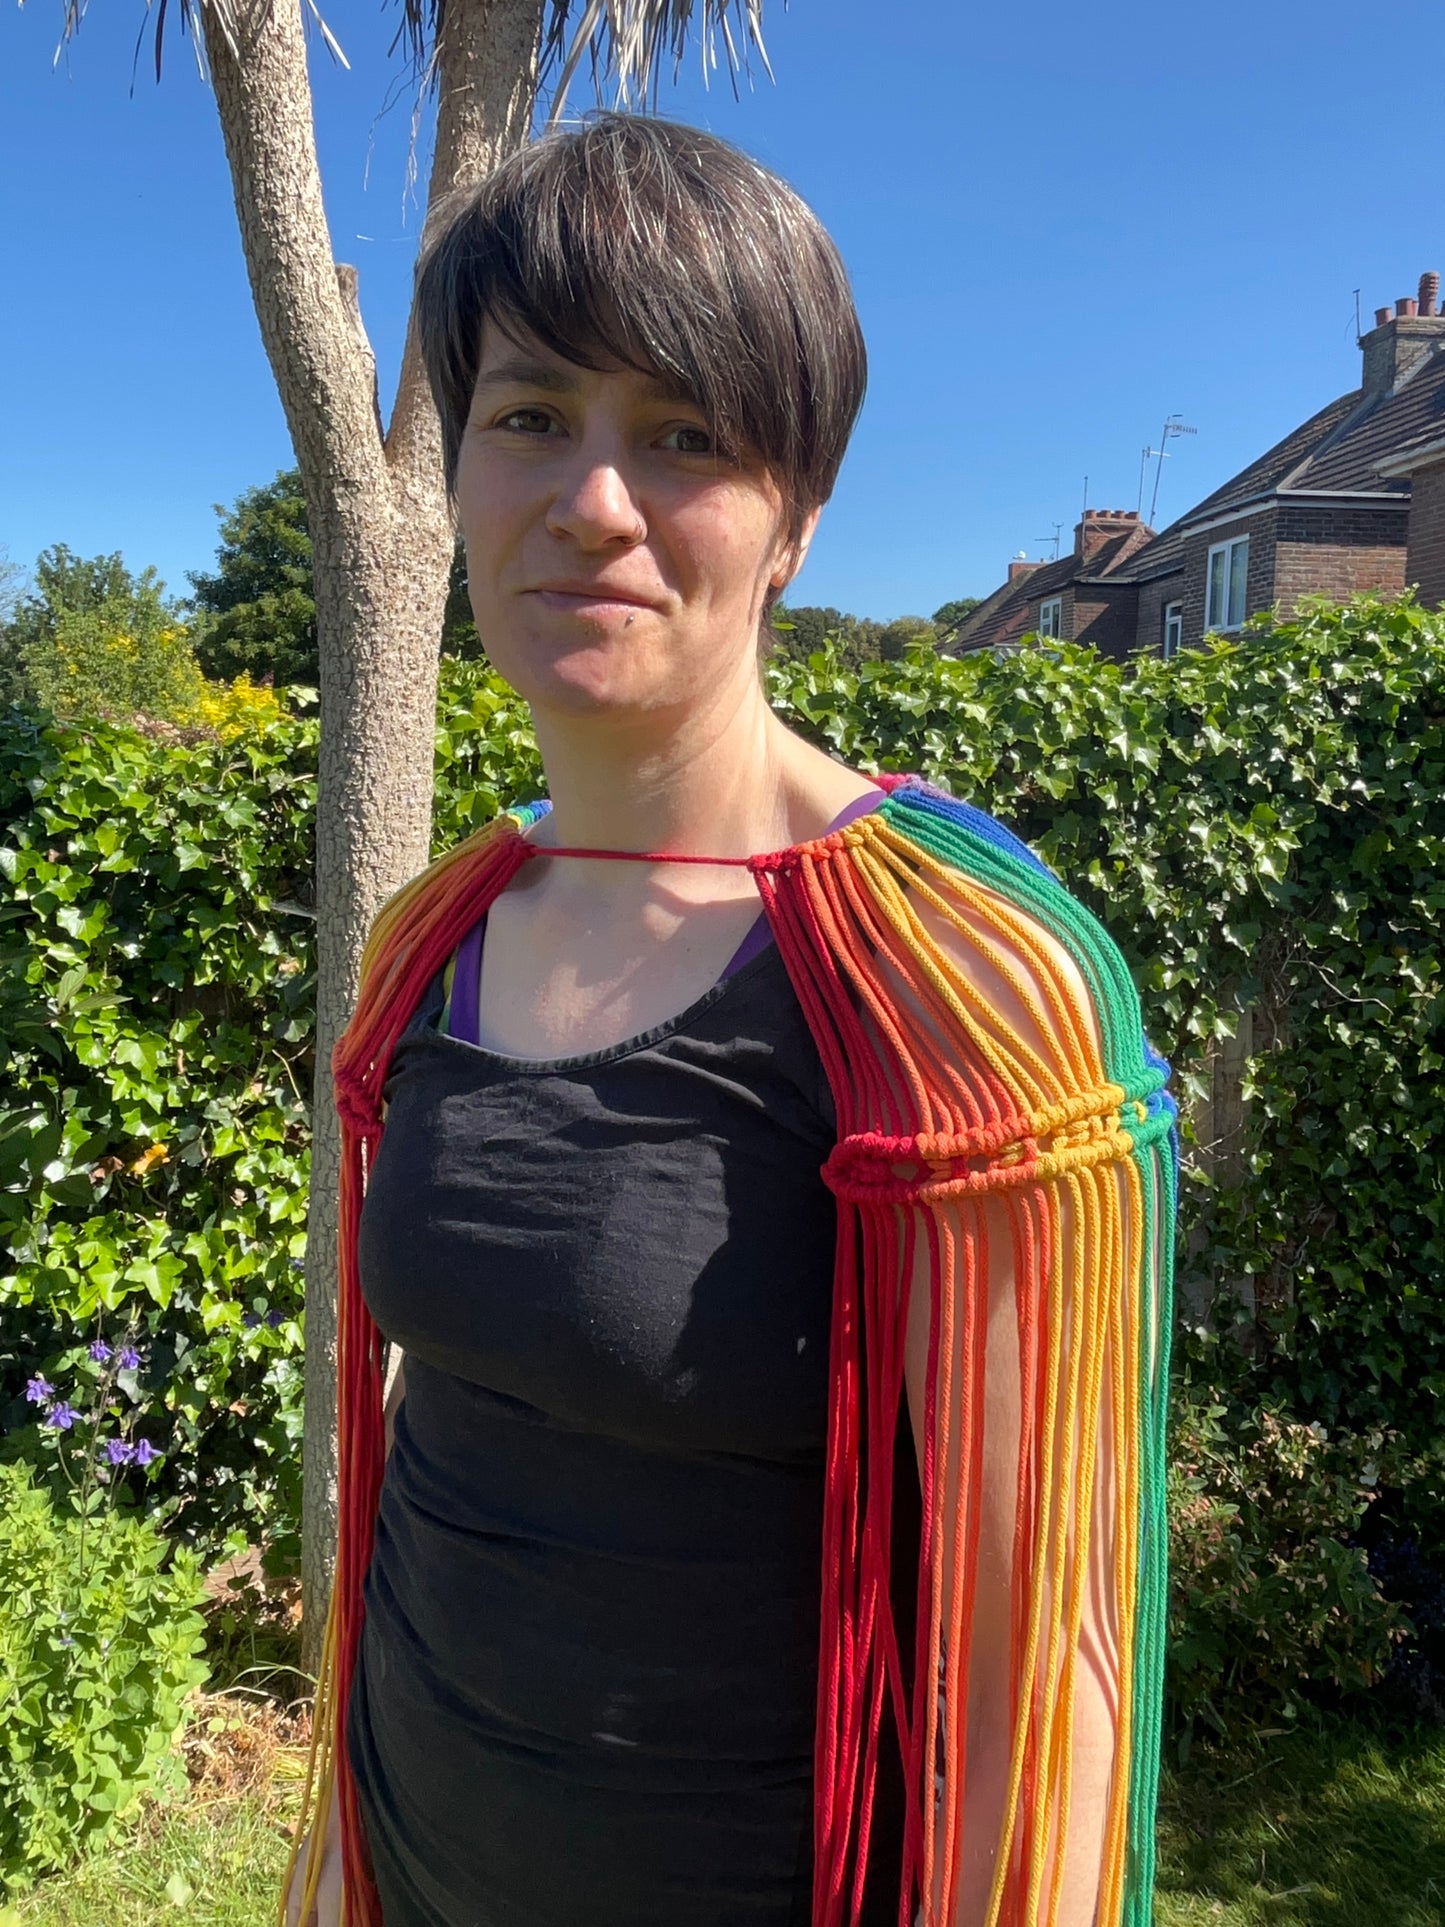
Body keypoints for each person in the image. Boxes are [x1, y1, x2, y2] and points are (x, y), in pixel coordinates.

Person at [282, 113, 1176, 1927]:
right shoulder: (440, 930)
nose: (590, 500)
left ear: (796, 519)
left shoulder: (959, 982)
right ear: (457, 465)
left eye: (682, 436)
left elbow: (1046, 1666)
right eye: (529, 415)